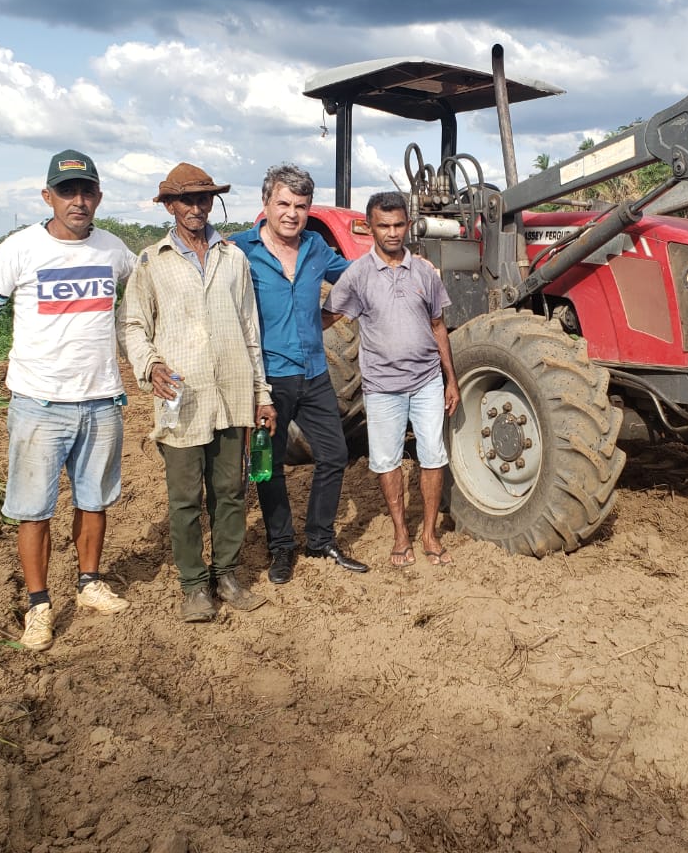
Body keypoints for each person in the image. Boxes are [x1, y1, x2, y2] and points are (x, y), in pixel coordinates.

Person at [0, 149, 136, 652]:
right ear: (47, 196)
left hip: (100, 400)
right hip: (39, 404)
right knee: (34, 509)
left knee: (94, 499)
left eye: (87, 191)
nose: (79, 201)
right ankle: (38, 604)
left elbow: (146, 298)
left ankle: (90, 582)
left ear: (98, 196)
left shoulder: (115, 251)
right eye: (68, 191)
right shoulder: (20, 249)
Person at [119, 163, 276, 622]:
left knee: (229, 491)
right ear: (169, 206)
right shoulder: (152, 261)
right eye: (185, 200)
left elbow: (251, 330)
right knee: (185, 497)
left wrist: (261, 393)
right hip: (181, 400)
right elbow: (132, 326)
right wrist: (149, 365)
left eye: (203, 198)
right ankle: (193, 585)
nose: (195, 207)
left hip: (231, 392)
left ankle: (226, 575)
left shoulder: (234, 258)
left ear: (212, 202)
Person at [234, 164, 369, 583]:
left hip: (314, 373)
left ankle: (319, 537)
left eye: (301, 205)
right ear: (266, 204)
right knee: (268, 466)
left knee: (334, 455)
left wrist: (405, 262)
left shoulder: (315, 248)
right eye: (284, 203)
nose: (292, 213)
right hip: (268, 380)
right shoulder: (240, 250)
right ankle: (280, 547)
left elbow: (357, 274)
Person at [323, 191, 460, 567]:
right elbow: (327, 317)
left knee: (432, 456)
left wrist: (451, 379)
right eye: (384, 226)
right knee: (387, 461)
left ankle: (429, 534)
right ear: (370, 228)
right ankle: (401, 534)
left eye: (399, 224)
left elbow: (438, 326)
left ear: (409, 225)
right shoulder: (358, 275)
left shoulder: (423, 272)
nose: (392, 232)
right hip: (382, 386)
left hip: (427, 380)